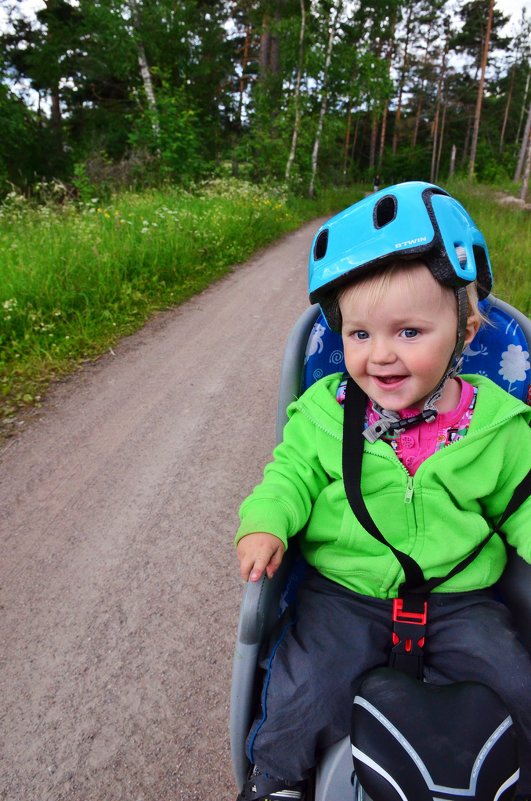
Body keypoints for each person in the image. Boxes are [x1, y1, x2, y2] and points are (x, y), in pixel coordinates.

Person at [234, 182, 531, 801]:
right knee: (305, 686)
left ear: (466, 331)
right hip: (345, 595)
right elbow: (288, 475)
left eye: (410, 332)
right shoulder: (326, 411)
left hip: (463, 600)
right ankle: (277, 782)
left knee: (515, 682)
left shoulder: (500, 427)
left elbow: (524, 505)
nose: (381, 357)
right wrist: (266, 521)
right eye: (359, 335)